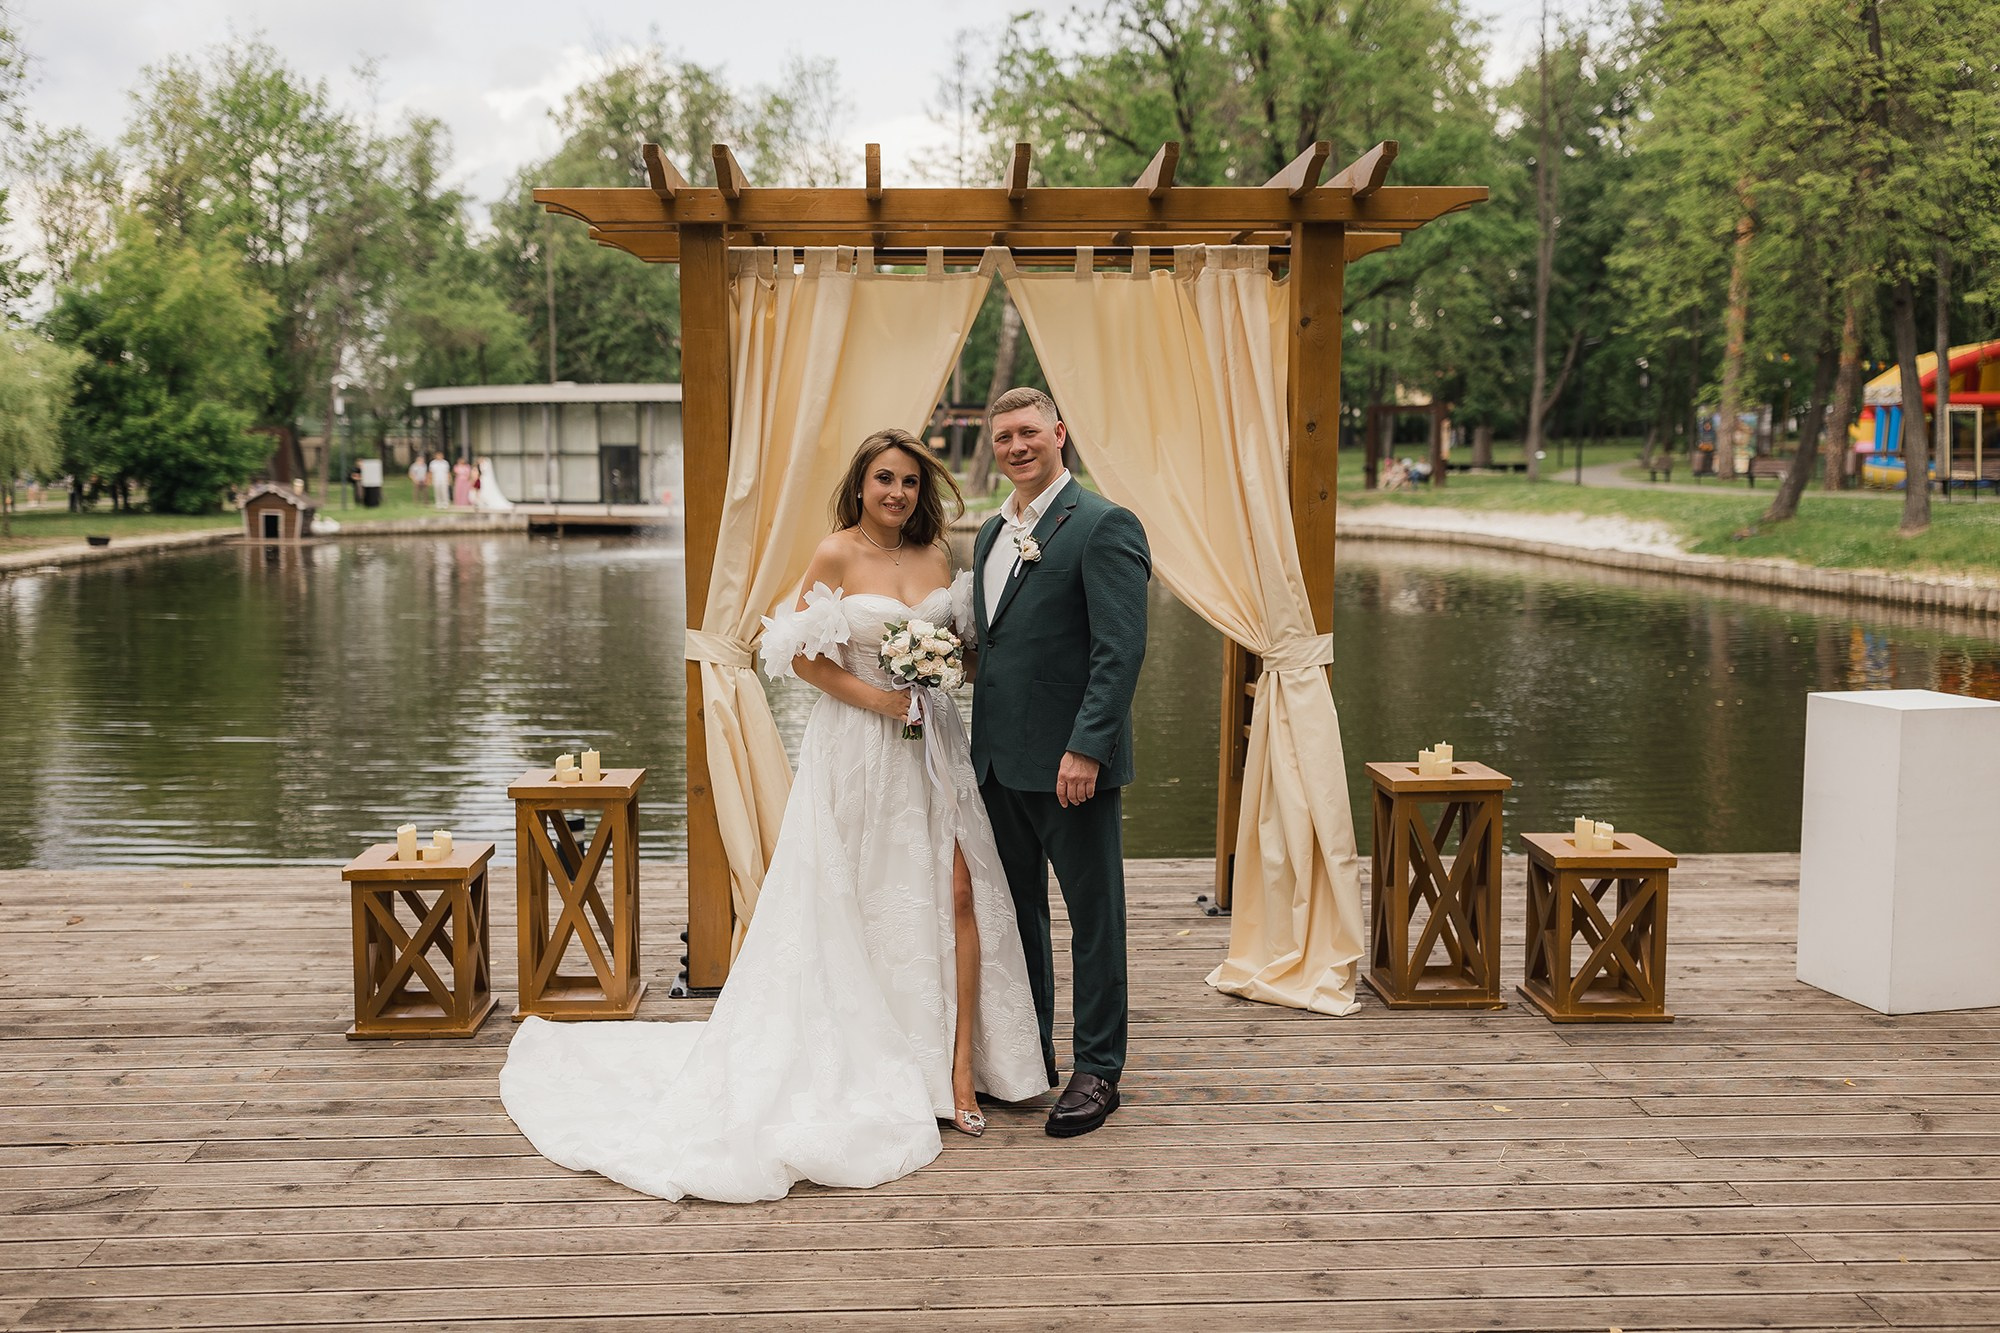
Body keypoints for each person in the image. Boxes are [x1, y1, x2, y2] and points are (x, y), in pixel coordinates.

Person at [500, 427, 1046, 1203]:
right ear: (861, 485)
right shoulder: (835, 554)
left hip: (934, 744)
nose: (897, 492)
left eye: (909, 481)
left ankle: (959, 1068)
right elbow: (798, 656)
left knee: (958, 893)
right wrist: (882, 699)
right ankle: (880, 1057)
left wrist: (943, 673)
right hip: (859, 745)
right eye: (884, 479)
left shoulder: (935, 557)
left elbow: (958, 648)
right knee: (863, 897)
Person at [971, 387, 1150, 1139]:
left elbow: (1120, 649)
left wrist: (1086, 747)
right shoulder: (990, 532)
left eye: (1029, 432)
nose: (1016, 446)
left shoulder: (1104, 524)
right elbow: (997, 643)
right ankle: (1029, 1055)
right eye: (1003, 436)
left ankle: (1099, 1069)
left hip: (1072, 767)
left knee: (1093, 919)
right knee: (1017, 920)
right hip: (996, 765)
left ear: (1059, 433)